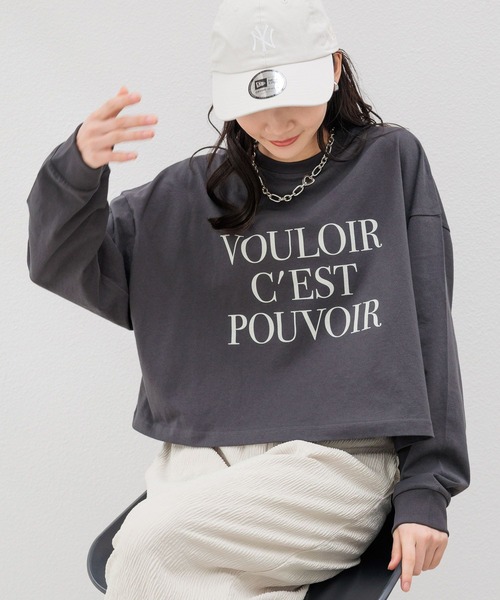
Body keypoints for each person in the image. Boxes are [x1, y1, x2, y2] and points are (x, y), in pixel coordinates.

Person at [26, 0, 469, 598]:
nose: (275, 121)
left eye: (294, 96)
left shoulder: (389, 162)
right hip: (205, 454)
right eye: (254, 101)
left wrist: (426, 487)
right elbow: (62, 264)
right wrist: (75, 171)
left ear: (335, 68)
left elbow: (429, 330)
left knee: (147, 552)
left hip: (338, 460)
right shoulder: (188, 195)